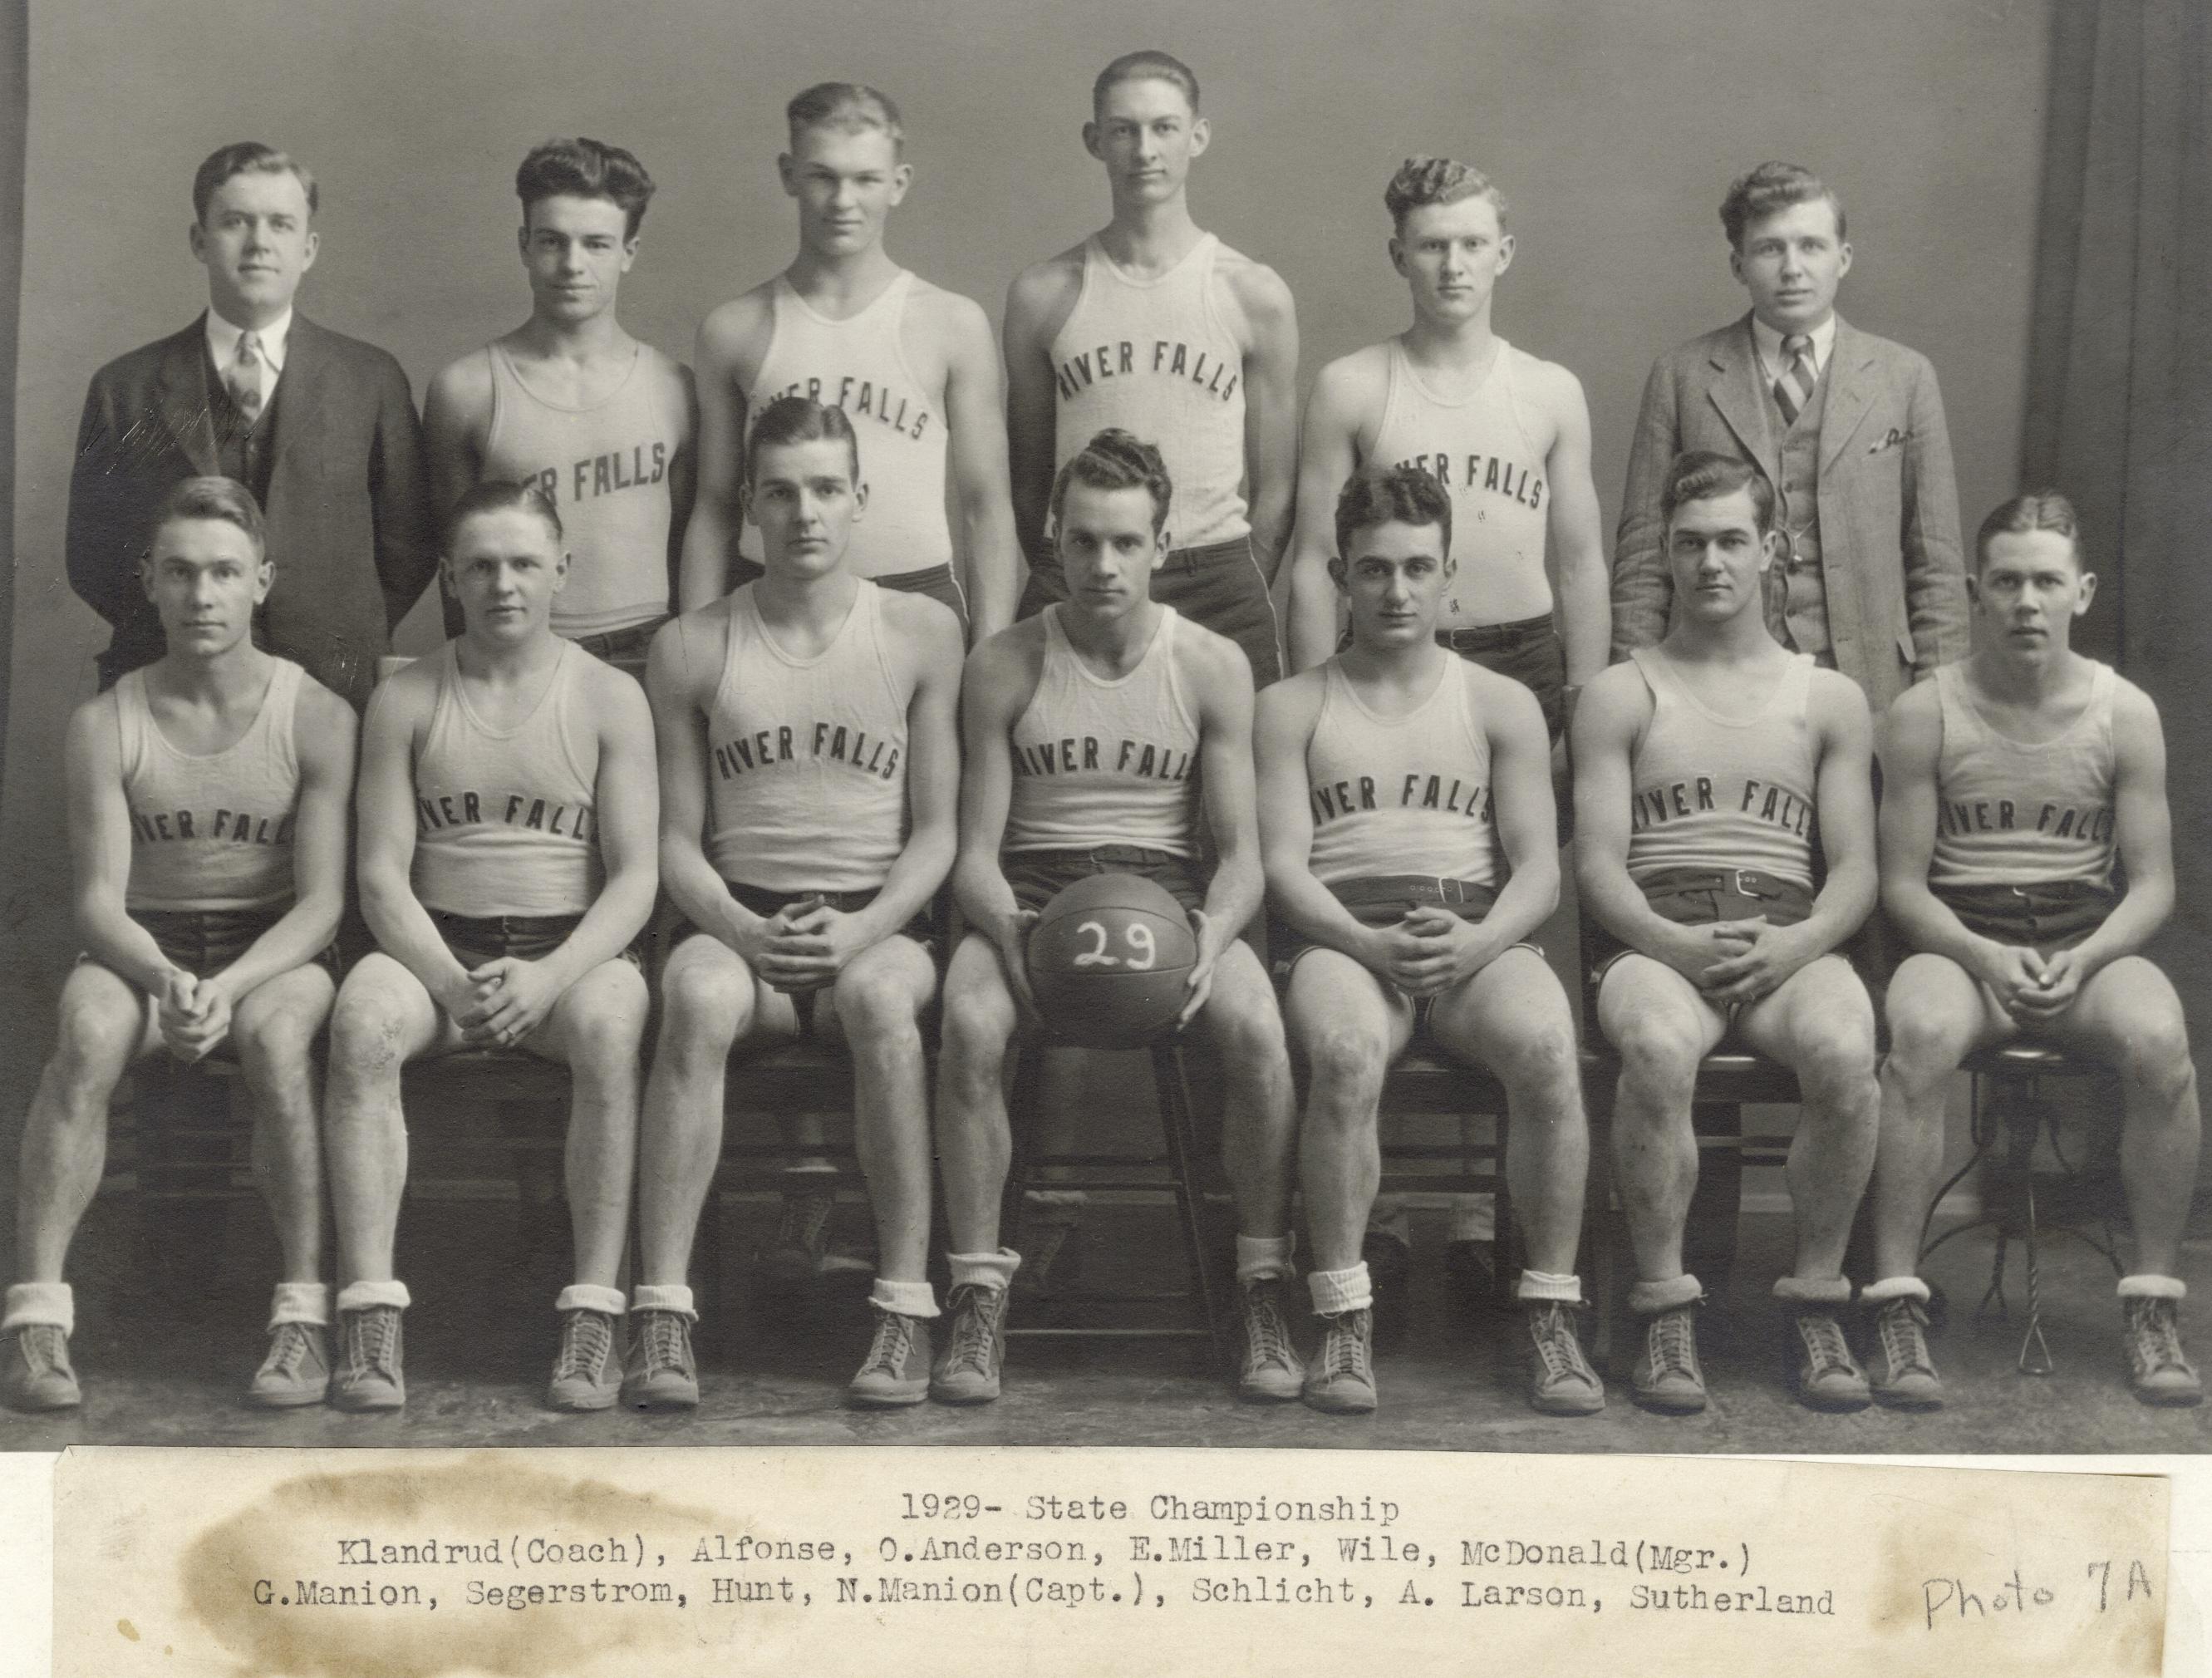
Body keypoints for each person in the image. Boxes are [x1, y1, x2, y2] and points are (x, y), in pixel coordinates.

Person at [1281, 155, 1609, 1297]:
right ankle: (1363, 1224)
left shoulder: (1548, 390)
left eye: (1472, 243)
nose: (1453, 264)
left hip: (1517, 663)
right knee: (1374, 922)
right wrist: (1317, 698)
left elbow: (1579, 558)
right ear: (1398, 256)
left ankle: (1483, 1217)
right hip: (1374, 657)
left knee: (1496, 928)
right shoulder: (1353, 385)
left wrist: (1583, 707)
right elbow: (1310, 562)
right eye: (1431, 244)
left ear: (1503, 252)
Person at [933, 428, 1300, 1405]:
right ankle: (976, 1292)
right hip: (1034, 888)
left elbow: (1242, 858)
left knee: (1258, 1029)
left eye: (1126, 543)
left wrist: (1211, 939)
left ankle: (1261, 1282)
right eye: (1084, 540)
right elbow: (973, 856)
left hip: (1168, 891)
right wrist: (1012, 932)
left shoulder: (1212, 664)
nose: (1103, 564)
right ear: (1054, 538)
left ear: (1162, 546)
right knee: (969, 1022)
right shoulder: (1004, 663)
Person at [629, 397, 962, 1410]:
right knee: (694, 998)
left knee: (882, 1004)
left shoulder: (920, 632)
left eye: (824, 490)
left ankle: (902, 1307)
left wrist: (863, 930)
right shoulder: (691, 644)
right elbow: (674, 841)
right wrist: (742, 929)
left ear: (860, 499)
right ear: (747, 508)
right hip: (745, 923)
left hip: (876, 922)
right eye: (780, 493)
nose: (804, 513)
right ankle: (662, 1312)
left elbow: (938, 833)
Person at [4, 478, 356, 1411]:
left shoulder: (317, 715)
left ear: (262, 582)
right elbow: (96, 903)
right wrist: (166, 978)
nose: (203, 595)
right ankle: (37, 1320)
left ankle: (302, 1318)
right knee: (86, 1036)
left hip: (271, 949)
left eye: (226, 573)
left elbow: (322, 905)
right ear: (149, 582)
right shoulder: (105, 721)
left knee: (278, 1040)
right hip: (143, 946)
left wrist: (229, 986)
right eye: (182, 573)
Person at [1258, 465, 1600, 1416]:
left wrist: (1476, 943)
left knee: (1546, 1047)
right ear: (1341, 576)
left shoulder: (1501, 702)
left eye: (1417, 568)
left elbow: (1538, 871)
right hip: (1344, 934)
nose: (1397, 591)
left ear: (1449, 574)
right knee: (1343, 1049)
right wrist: (1365, 945)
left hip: (1471, 932)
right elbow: (1283, 868)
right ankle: (1342, 1314)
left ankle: (1550, 1310)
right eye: (1374, 570)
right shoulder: (1291, 705)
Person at [322, 482, 658, 1413]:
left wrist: (551, 976)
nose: (503, 584)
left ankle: (593, 1311)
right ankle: (370, 1313)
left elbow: (635, 877)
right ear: (449, 577)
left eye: (523, 563)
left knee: (612, 1025)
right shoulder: (406, 696)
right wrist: (448, 981)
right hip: (438, 951)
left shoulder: (611, 696)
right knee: (360, 1023)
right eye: (481, 566)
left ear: (562, 570)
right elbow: (380, 877)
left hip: (567, 956)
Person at [1870, 493, 2200, 1409]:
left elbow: (2153, 886)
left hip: (2082, 938)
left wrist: (2086, 959)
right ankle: (1896, 1301)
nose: (2026, 602)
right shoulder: (1923, 711)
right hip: (1962, 940)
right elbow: (1901, 887)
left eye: (2046, 582)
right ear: (1975, 591)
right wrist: (1982, 955)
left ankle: (2152, 1304)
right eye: (2007, 582)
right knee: (1918, 1034)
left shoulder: (2124, 712)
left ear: (2081, 592)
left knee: (2162, 1043)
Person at [1575, 450, 1881, 1415]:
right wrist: (1670, 946)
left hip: (1785, 935)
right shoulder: (1620, 693)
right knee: (1657, 1045)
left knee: (1845, 1048)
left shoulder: (1826, 696)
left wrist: (1796, 946)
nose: (1710, 562)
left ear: (1770, 550)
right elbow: (1597, 868)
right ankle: (1665, 1308)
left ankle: (1816, 1304)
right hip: (1659, 935)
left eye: (1731, 542)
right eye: (1689, 543)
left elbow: (1857, 869)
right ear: (1666, 554)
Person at [66, 142, 436, 711]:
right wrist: (186, 627)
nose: (259, 242)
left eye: (280, 224)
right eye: (236, 221)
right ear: (199, 240)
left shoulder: (370, 379)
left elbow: (409, 546)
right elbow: (92, 557)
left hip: (331, 687)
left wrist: (334, 628)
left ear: (308, 248)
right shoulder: (125, 387)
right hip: (173, 689)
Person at [1610, 161, 1968, 716]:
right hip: (1714, 683)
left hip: (1870, 688)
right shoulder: (1682, 376)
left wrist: (1939, 707)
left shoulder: (1905, 377)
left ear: (1843, 258)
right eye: (1770, 249)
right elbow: (1642, 558)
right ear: (1738, 264)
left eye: (1811, 246)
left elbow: (1936, 564)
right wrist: (1632, 699)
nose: (1793, 268)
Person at [1002, 49, 1296, 687]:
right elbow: (1028, 484)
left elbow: (1276, 492)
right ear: (1095, 141)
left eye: (1164, 128)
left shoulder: (1253, 293)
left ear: (1198, 136)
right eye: (1123, 130)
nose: (1144, 150)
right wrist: (1078, 565)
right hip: (1086, 570)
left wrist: (1233, 579)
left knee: (1240, 751)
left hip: (1215, 579)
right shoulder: (1043, 295)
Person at [683, 83, 1017, 640]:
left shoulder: (952, 324)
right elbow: (715, 508)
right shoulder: (734, 329)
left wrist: (989, 652)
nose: (843, 201)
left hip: (914, 606)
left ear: (898, 184)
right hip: (770, 604)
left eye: (866, 179)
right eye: (823, 177)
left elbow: (986, 507)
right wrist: (690, 649)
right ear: (789, 174)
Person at [425, 137, 696, 680]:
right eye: (552, 241)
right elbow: (455, 566)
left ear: (629, 252)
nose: (572, 264)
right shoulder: (467, 389)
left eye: (596, 244)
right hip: (521, 653)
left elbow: (693, 548)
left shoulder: (674, 387)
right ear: (524, 245)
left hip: (653, 651)